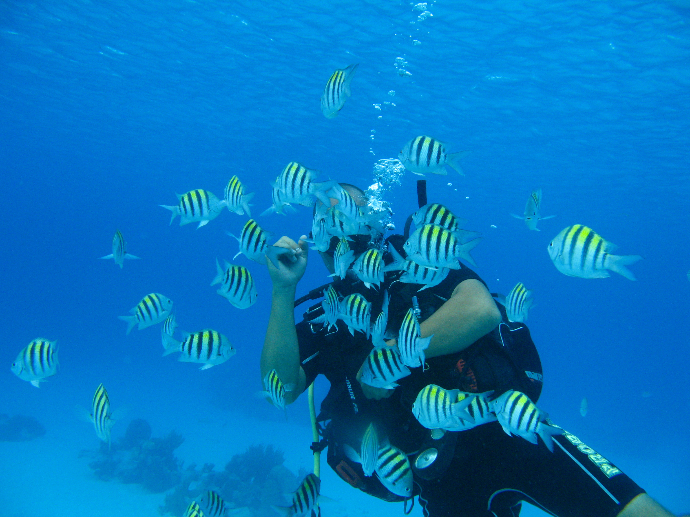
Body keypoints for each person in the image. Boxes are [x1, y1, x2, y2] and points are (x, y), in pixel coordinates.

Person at [261, 184, 684, 517]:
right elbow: (281, 387)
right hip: (439, 480)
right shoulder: (328, 318)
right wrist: (283, 289)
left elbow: (480, 310)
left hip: (506, 433)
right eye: (326, 218)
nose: (339, 226)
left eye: (349, 213)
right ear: (316, 237)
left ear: (372, 221)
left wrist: (389, 358)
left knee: (629, 508)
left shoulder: (420, 258)